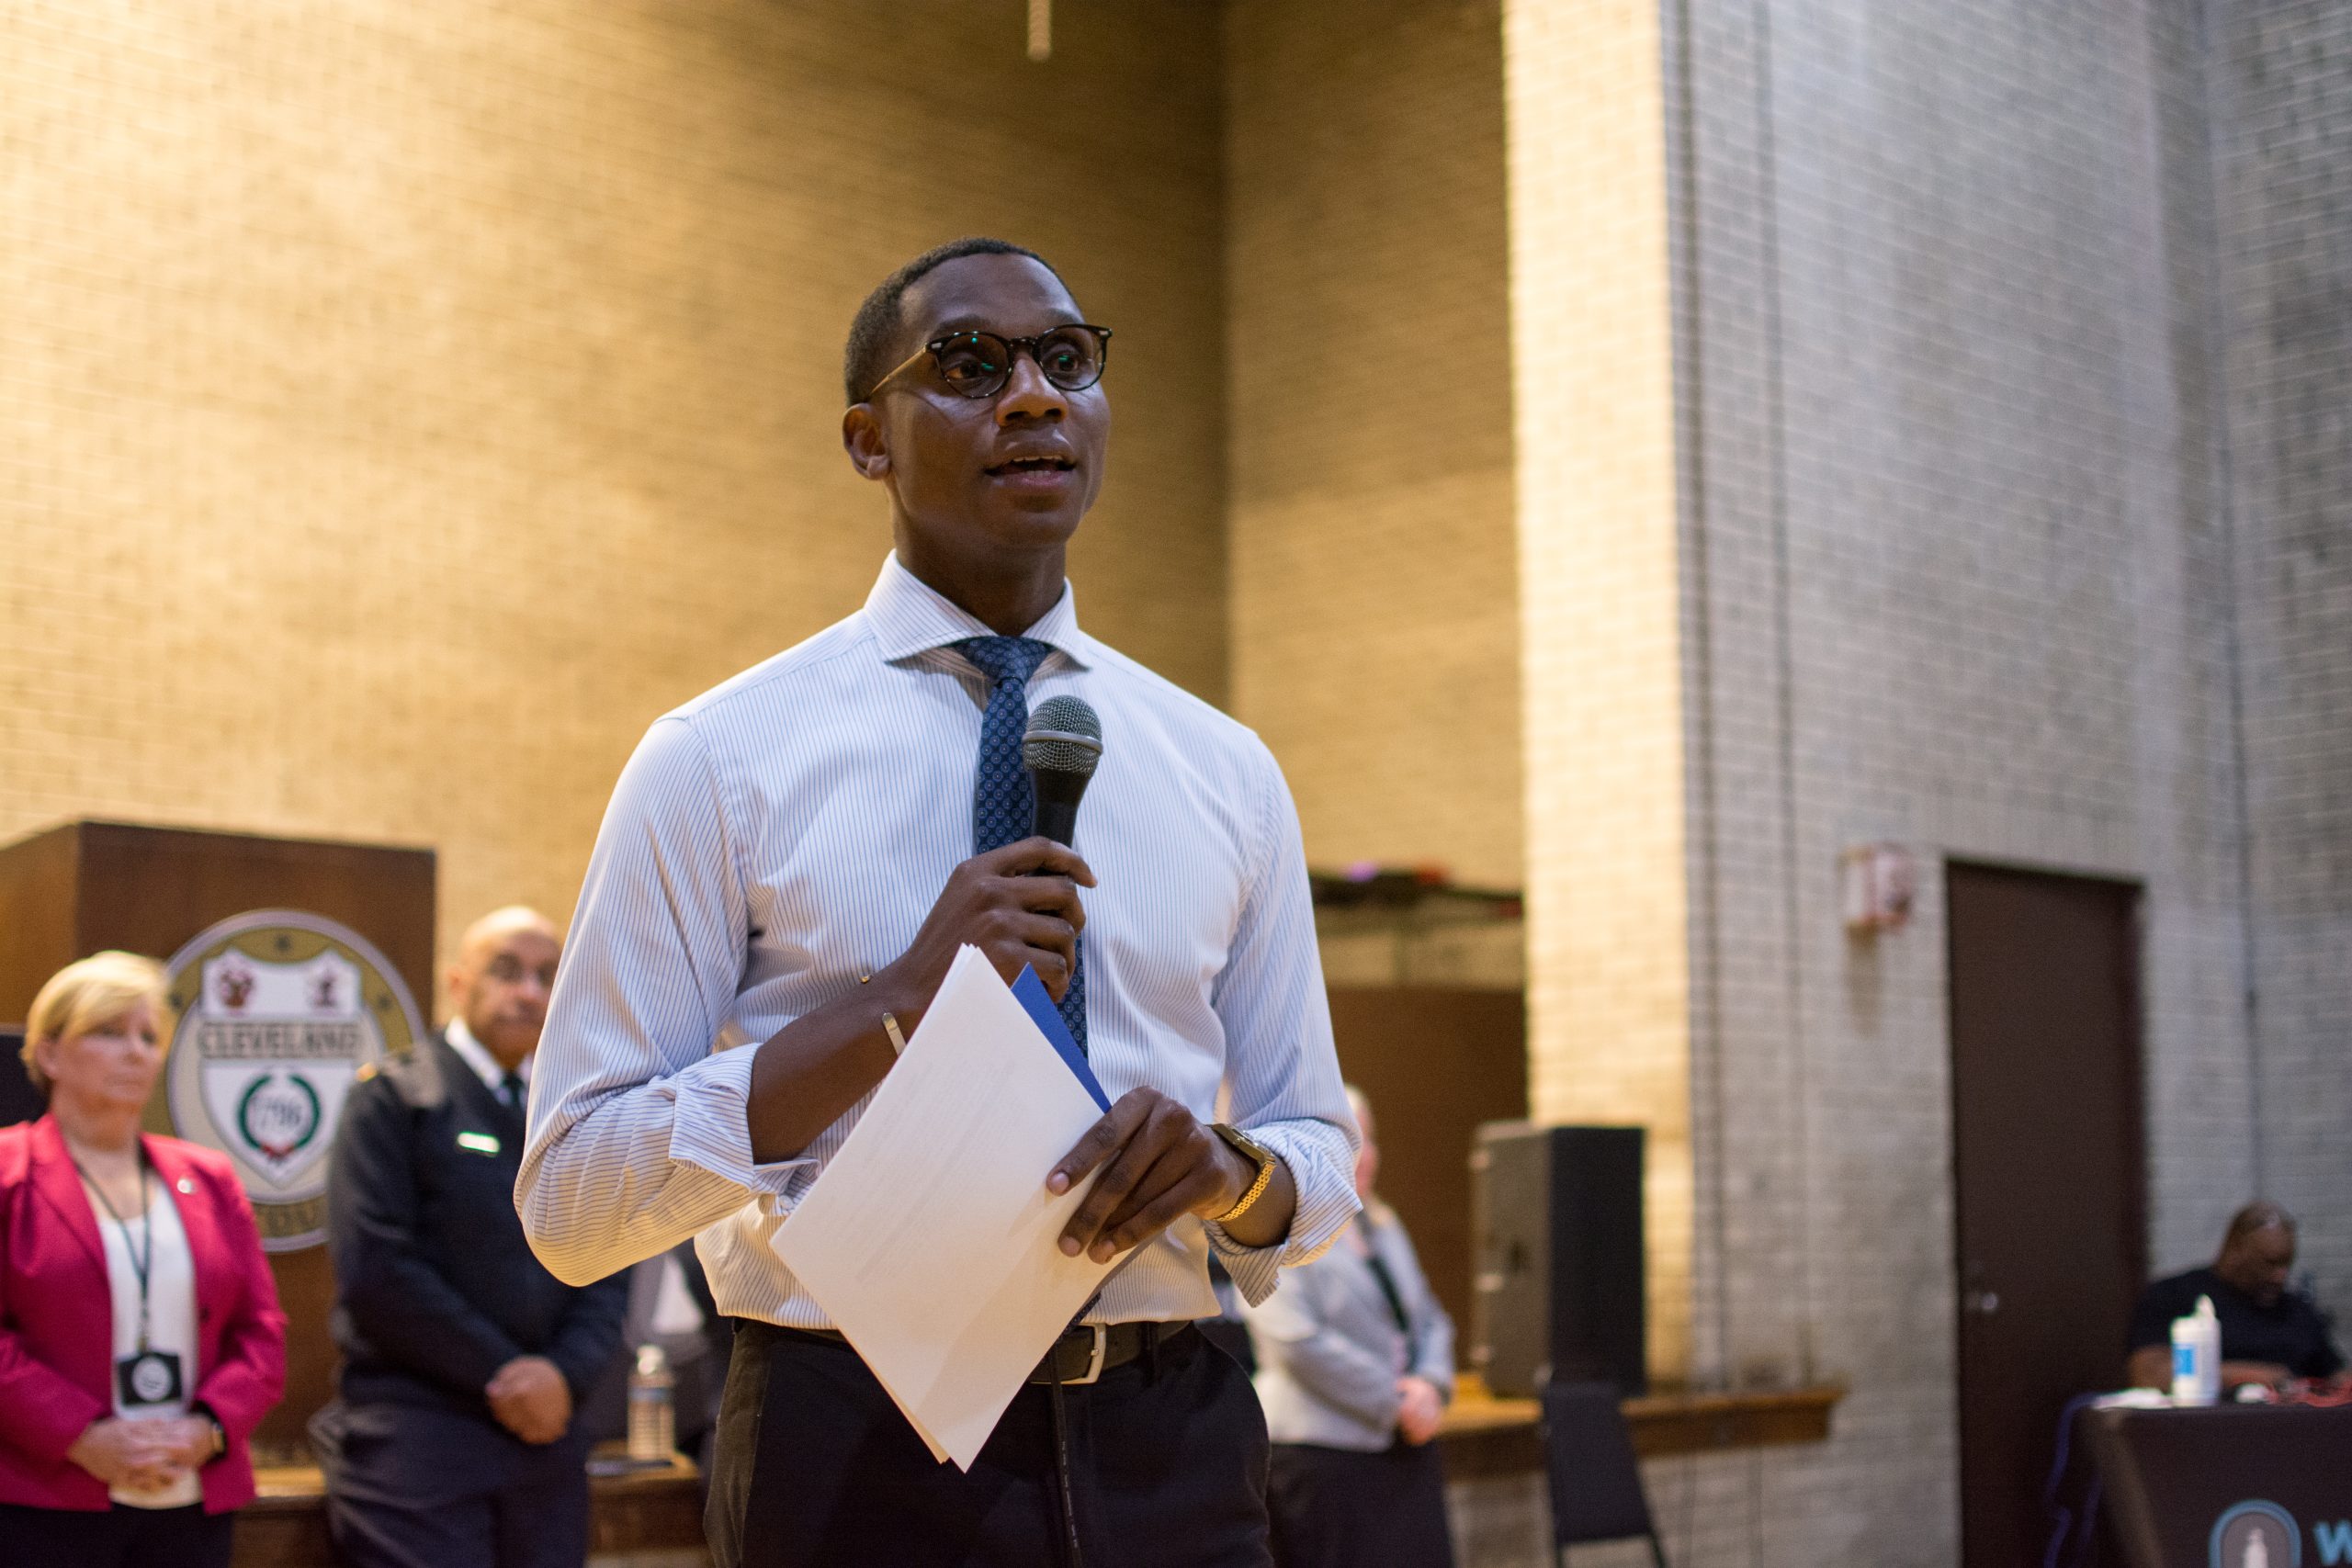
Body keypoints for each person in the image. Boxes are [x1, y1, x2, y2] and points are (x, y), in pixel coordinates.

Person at [518, 236, 1359, 1568]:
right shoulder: (719, 755)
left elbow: (1314, 1142)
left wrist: (1229, 1170)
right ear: (869, 440)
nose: (1032, 395)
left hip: (1172, 1437)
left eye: (1066, 361)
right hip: (851, 1441)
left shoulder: (1225, 767)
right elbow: (571, 1203)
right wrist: (890, 1010)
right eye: (969, 365)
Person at [313, 908, 629, 1568]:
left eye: (548, 975)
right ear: (458, 982)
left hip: (547, 1433)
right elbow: (377, 1268)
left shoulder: (576, 1108)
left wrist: (561, 1377)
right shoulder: (396, 1096)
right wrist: (503, 1373)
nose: (530, 991)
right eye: (507, 970)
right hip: (420, 1431)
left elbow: (610, 1254)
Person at [0, 952, 287, 1568]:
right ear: (49, 1054)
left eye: (148, 1036)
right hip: (46, 1499)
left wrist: (206, 1427)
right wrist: (82, 1436)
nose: (136, 1052)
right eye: (108, 1032)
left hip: (190, 1494)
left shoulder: (207, 1176)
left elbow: (262, 1333)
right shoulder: (7, 1171)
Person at [1242, 1087, 1455, 1568]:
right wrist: (1395, 1400)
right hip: (1322, 1457)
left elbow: (1429, 1317)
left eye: (1370, 1139)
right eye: (1351, 1140)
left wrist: (1431, 1386)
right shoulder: (1273, 1227)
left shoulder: (1383, 1222)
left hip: (1406, 1443)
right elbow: (1295, 1342)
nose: (1366, 1155)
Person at [2125, 1201, 2345, 1392]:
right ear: (2235, 1251)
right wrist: (2249, 1375)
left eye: (2287, 1264)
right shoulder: (2175, 1296)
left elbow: (2336, 1376)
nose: (2281, 1276)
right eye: (2269, 1263)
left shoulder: (2297, 1311)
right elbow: (2149, 1374)